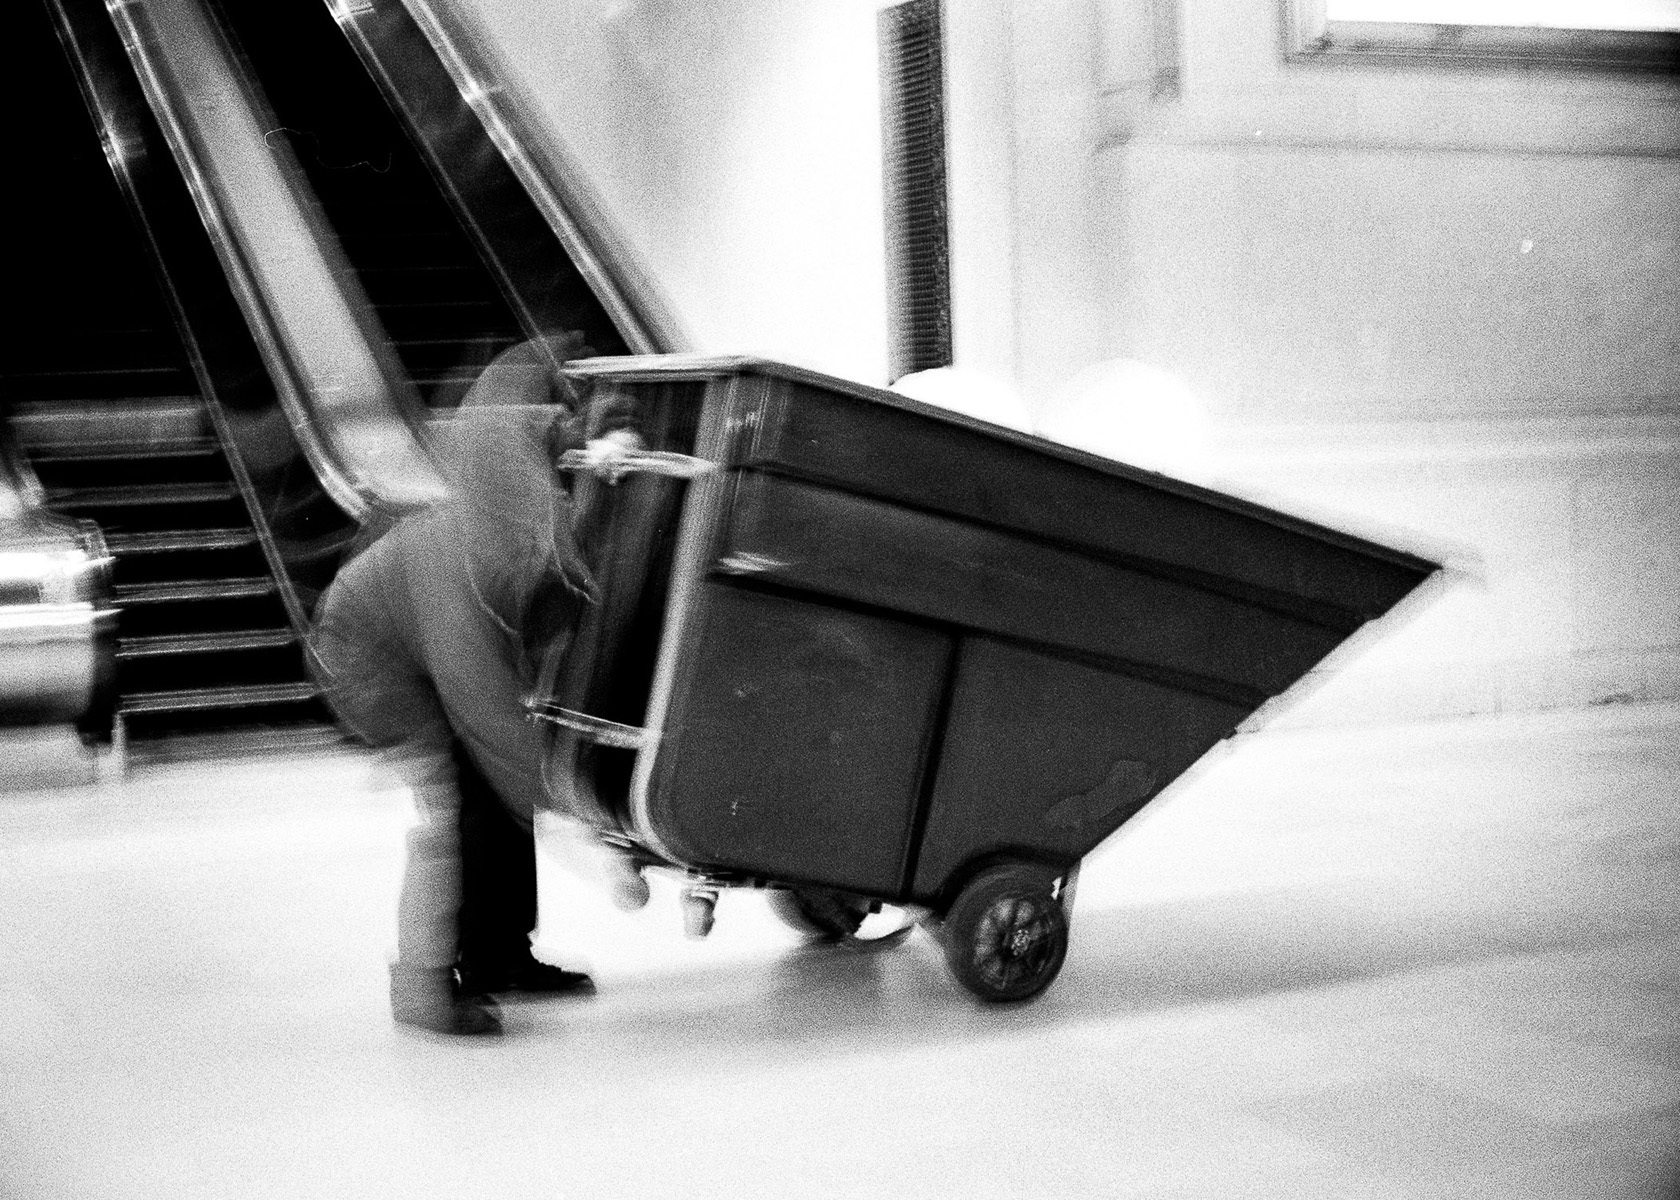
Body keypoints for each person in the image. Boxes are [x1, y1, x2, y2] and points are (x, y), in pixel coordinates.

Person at [311, 335, 641, 1036]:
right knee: (457, 808)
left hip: (412, 639)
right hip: (369, 658)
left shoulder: (513, 510)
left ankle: (501, 957)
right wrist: (569, 820)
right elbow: (491, 719)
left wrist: (592, 430)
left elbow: (519, 431)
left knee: (495, 802)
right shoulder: (465, 583)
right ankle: (423, 988)